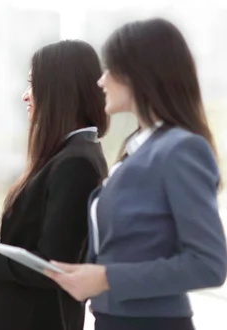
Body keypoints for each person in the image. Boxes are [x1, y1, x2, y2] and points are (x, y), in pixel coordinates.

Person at [46, 18, 227, 330]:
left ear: (139, 75)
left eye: (110, 70)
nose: (101, 81)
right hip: (113, 320)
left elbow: (209, 264)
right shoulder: (138, 147)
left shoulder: (181, 149)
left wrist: (105, 278)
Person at [0, 40, 109, 330]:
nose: (26, 96)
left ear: (59, 89)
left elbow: (50, 268)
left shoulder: (76, 163)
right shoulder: (71, 155)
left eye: (33, 84)